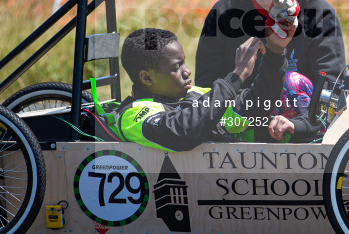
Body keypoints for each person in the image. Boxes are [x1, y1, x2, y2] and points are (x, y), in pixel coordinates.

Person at [194, 0, 345, 140]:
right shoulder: (224, 13)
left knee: (292, 82)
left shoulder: (318, 13)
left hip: (303, 134)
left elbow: (333, 88)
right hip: (237, 130)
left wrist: (299, 125)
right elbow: (206, 89)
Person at [106, 26, 297, 151]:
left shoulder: (194, 94)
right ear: (146, 77)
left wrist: (275, 51)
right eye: (176, 67)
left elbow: (255, 107)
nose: (187, 71)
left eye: (184, 63)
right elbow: (184, 132)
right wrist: (237, 75)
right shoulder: (134, 115)